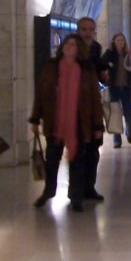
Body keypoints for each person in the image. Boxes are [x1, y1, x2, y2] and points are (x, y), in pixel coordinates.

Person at [29, 33, 104, 210]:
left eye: (73, 45)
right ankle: (49, 191)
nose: (69, 47)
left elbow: (94, 99)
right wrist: (35, 118)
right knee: (52, 160)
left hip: (79, 122)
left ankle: (76, 197)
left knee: (77, 163)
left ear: (79, 49)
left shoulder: (86, 70)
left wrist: (98, 125)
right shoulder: (50, 67)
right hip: (55, 122)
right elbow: (41, 94)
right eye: (67, 44)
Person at [77, 15, 107, 199]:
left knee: (93, 150)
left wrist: (104, 75)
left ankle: (90, 187)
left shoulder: (96, 48)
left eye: (91, 30)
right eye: (84, 29)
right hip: (76, 104)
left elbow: (100, 70)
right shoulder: (71, 47)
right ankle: (76, 191)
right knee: (79, 150)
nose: (88, 33)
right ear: (78, 31)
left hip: (93, 103)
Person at [100, 32, 131, 147]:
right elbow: (101, 64)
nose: (120, 42)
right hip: (114, 87)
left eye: (122, 40)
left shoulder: (127, 53)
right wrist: (108, 52)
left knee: (128, 110)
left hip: (126, 87)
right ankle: (117, 139)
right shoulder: (110, 54)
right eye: (118, 40)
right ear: (114, 41)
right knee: (115, 113)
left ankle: (128, 130)